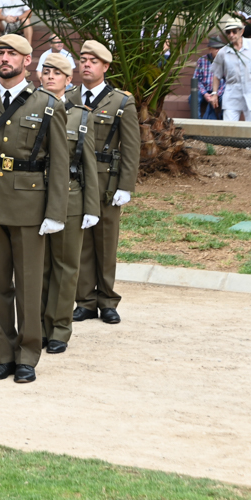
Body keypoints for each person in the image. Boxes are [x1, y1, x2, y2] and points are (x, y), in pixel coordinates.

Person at [0, 33, 69, 384]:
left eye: (12, 54)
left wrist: (55, 212)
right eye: (0, 53)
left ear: (27, 62)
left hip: (29, 201)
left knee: (29, 284)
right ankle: (3, 354)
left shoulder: (48, 105)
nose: (5, 58)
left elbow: (60, 165)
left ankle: (28, 355)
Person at [71, 39, 140, 326]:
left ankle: (107, 299)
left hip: (105, 178)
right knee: (81, 240)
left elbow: (131, 146)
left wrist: (126, 186)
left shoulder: (121, 101)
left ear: (105, 67)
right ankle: (85, 300)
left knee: (105, 239)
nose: (86, 64)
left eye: (93, 61)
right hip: (76, 177)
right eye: (83, 59)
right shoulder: (68, 97)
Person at [38, 53, 100, 355]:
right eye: (46, 71)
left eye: (58, 72)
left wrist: (92, 207)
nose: (51, 76)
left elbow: (89, 165)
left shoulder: (81, 116)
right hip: (34, 195)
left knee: (65, 266)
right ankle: (36, 326)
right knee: (38, 267)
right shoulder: (28, 108)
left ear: (68, 79)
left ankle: (59, 328)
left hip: (71, 198)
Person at [209, 15, 251, 122]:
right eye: (228, 32)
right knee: (228, 129)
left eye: (234, 31)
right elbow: (216, 74)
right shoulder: (223, 52)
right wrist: (214, 93)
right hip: (232, 94)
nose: (231, 35)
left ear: (241, 31)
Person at [192, 36, 226, 119]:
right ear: (210, 49)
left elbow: (227, 81)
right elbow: (196, 79)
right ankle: (196, 122)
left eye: (220, 48)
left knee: (225, 99)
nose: (218, 50)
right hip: (204, 90)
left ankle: (223, 122)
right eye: (216, 48)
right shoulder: (202, 60)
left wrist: (217, 94)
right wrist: (205, 93)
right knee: (193, 98)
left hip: (220, 91)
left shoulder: (226, 60)